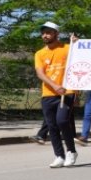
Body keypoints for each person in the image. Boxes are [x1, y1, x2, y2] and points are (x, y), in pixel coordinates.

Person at [34, 22, 78, 168]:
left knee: (62, 121)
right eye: (43, 33)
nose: (45, 35)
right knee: (52, 126)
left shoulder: (67, 49)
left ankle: (71, 151)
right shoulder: (39, 53)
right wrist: (54, 86)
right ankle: (59, 155)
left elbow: (81, 60)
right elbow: (40, 73)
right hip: (48, 93)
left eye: (48, 32)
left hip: (67, 92)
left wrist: (77, 44)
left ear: (56, 34)